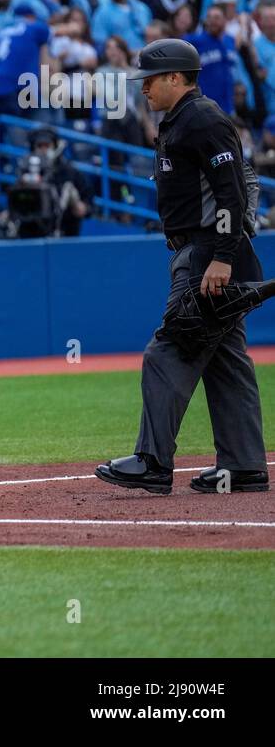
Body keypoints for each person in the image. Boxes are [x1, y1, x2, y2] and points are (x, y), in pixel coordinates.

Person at [96, 39, 269, 495]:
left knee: (168, 351)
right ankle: (245, 465)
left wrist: (222, 259)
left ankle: (153, 462)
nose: (144, 88)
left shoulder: (202, 118)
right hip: (201, 252)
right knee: (226, 361)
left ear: (177, 77)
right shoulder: (181, 120)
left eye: (150, 79)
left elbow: (233, 189)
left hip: (206, 256)